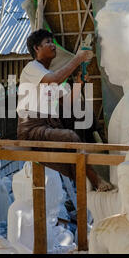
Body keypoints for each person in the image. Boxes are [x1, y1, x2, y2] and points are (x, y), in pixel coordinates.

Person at [16, 29, 113, 191]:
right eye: (48, 42)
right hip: (30, 128)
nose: (52, 45)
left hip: (49, 124)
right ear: (36, 48)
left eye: (52, 42)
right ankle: (94, 180)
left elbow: (67, 103)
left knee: (83, 114)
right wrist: (77, 59)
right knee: (69, 136)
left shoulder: (48, 74)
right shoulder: (32, 68)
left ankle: (100, 150)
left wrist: (79, 84)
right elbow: (54, 81)